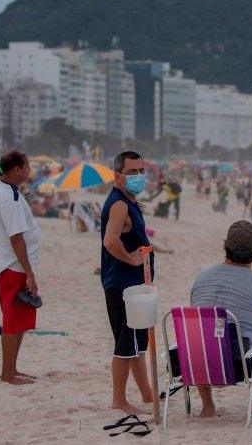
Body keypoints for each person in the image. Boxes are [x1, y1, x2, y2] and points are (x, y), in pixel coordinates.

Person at [190, 220, 252, 417]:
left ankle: (208, 406)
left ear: (225, 246)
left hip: (198, 363)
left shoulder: (201, 278)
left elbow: (199, 321)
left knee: (203, 335)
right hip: (239, 366)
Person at [101, 151, 156, 415]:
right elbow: (110, 241)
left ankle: (146, 393)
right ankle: (119, 400)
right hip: (123, 286)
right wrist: (132, 261)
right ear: (118, 175)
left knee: (137, 343)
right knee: (125, 344)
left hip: (135, 286)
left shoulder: (130, 201)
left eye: (140, 171)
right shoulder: (119, 204)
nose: (138, 177)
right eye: (132, 172)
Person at [0, 151, 42, 385]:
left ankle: (12, 368)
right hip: (12, 265)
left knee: (18, 319)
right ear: (17, 169)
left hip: (7, 263)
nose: (30, 171)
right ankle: (7, 373)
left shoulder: (0, 189)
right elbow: (16, 237)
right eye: (27, 166)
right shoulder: (10, 196)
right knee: (12, 318)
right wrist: (29, 272)